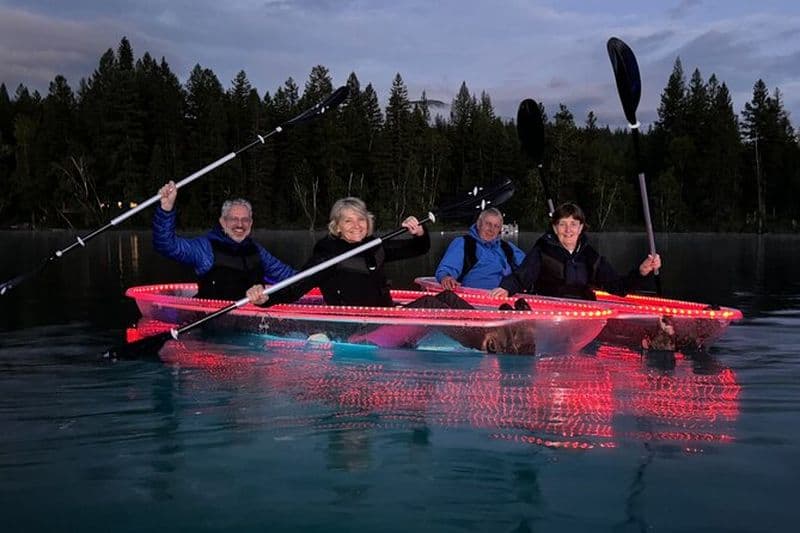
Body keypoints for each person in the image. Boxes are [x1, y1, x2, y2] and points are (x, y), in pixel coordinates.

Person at [247, 196, 471, 309]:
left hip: (385, 316)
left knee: (448, 297)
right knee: (430, 304)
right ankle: (487, 340)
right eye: (348, 221)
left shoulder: (374, 245)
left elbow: (418, 249)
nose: (357, 225)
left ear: (368, 222)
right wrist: (266, 298)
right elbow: (297, 286)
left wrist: (420, 233)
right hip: (359, 326)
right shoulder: (328, 253)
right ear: (337, 226)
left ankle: (495, 329)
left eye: (361, 219)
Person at [153, 180, 297, 301]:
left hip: (253, 321)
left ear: (251, 223)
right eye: (234, 219)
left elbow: (289, 276)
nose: (240, 225)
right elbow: (166, 245)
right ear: (223, 222)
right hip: (213, 326)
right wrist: (166, 209)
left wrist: (316, 268)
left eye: (245, 220)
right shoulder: (205, 248)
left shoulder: (258, 251)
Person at [490, 202, 661, 301]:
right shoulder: (542, 249)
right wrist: (506, 288)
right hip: (549, 310)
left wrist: (641, 272)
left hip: (582, 311)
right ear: (555, 228)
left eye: (573, 224)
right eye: (562, 224)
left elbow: (617, 286)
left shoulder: (590, 255)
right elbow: (522, 276)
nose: (568, 229)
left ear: (580, 228)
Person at [435, 207, 526, 290]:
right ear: (479, 224)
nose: (491, 229)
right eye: (488, 224)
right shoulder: (464, 243)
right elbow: (446, 269)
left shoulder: (507, 247)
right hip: (474, 300)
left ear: (500, 230)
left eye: (496, 226)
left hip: (506, 298)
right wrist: (446, 278)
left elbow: (529, 266)